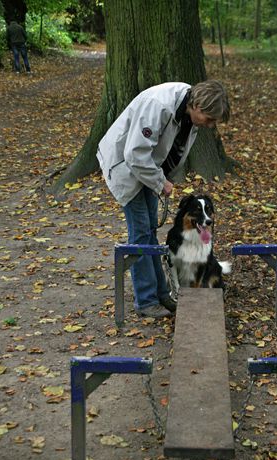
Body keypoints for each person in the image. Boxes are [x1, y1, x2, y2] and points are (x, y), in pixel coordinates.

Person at [97, 80, 230, 318]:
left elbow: (171, 148)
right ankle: (146, 301)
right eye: (210, 119)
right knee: (140, 235)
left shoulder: (188, 110)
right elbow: (135, 154)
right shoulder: (158, 105)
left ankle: (161, 294)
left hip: (147, 170)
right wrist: (160, 182)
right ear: (198, 106)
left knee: (149, 231)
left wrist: (162, 178)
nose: (211, 125)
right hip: (125, 167)